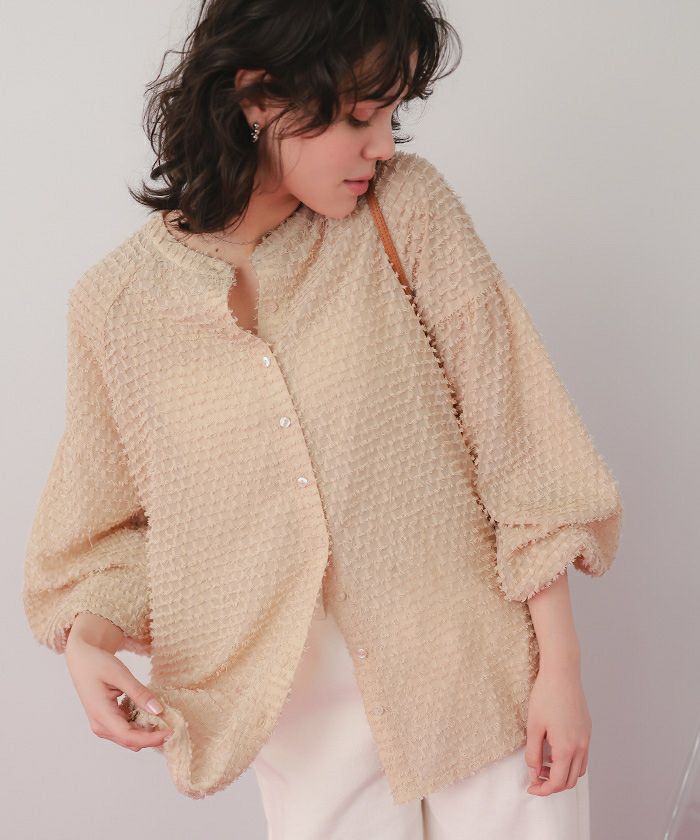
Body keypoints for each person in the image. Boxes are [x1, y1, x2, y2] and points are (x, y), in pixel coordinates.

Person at [22, 1, 623, 838]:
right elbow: (104, 535)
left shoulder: (405, 212)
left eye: (391, 116)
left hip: (479, 681)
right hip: (300, 726)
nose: (383, 147)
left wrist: (560, 668)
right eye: (357, 117)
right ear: (257, 96)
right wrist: (88, 642)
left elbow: (521, 441)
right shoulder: (119, 309)